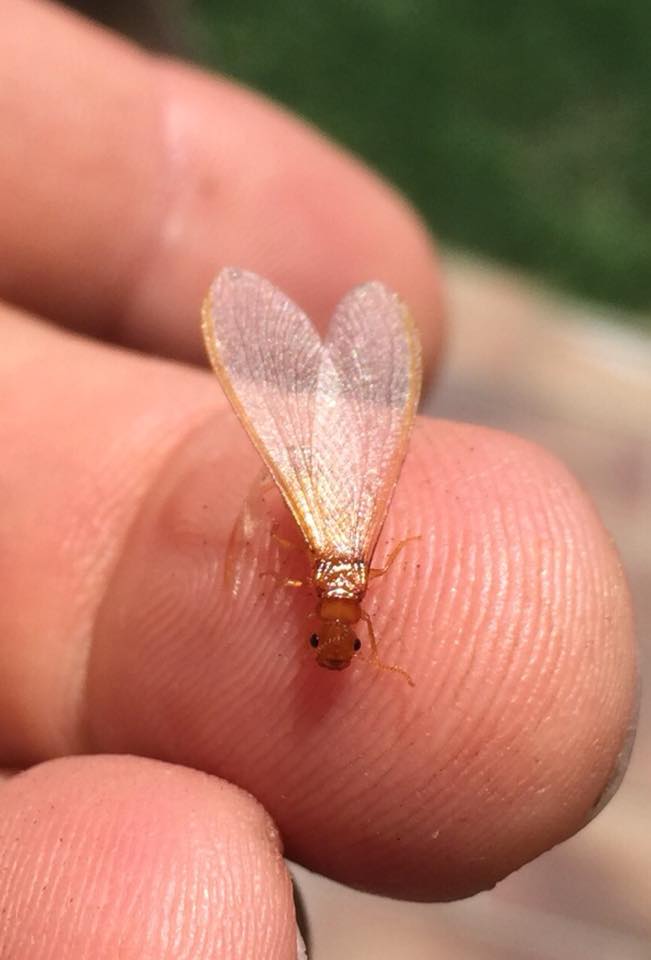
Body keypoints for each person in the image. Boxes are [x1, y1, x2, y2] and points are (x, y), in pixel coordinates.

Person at [0, 2, 637, 957]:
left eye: (328, 634)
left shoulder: (337, 575)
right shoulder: (344, 569)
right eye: (335, 636)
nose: (331, 637)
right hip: (331, 507)